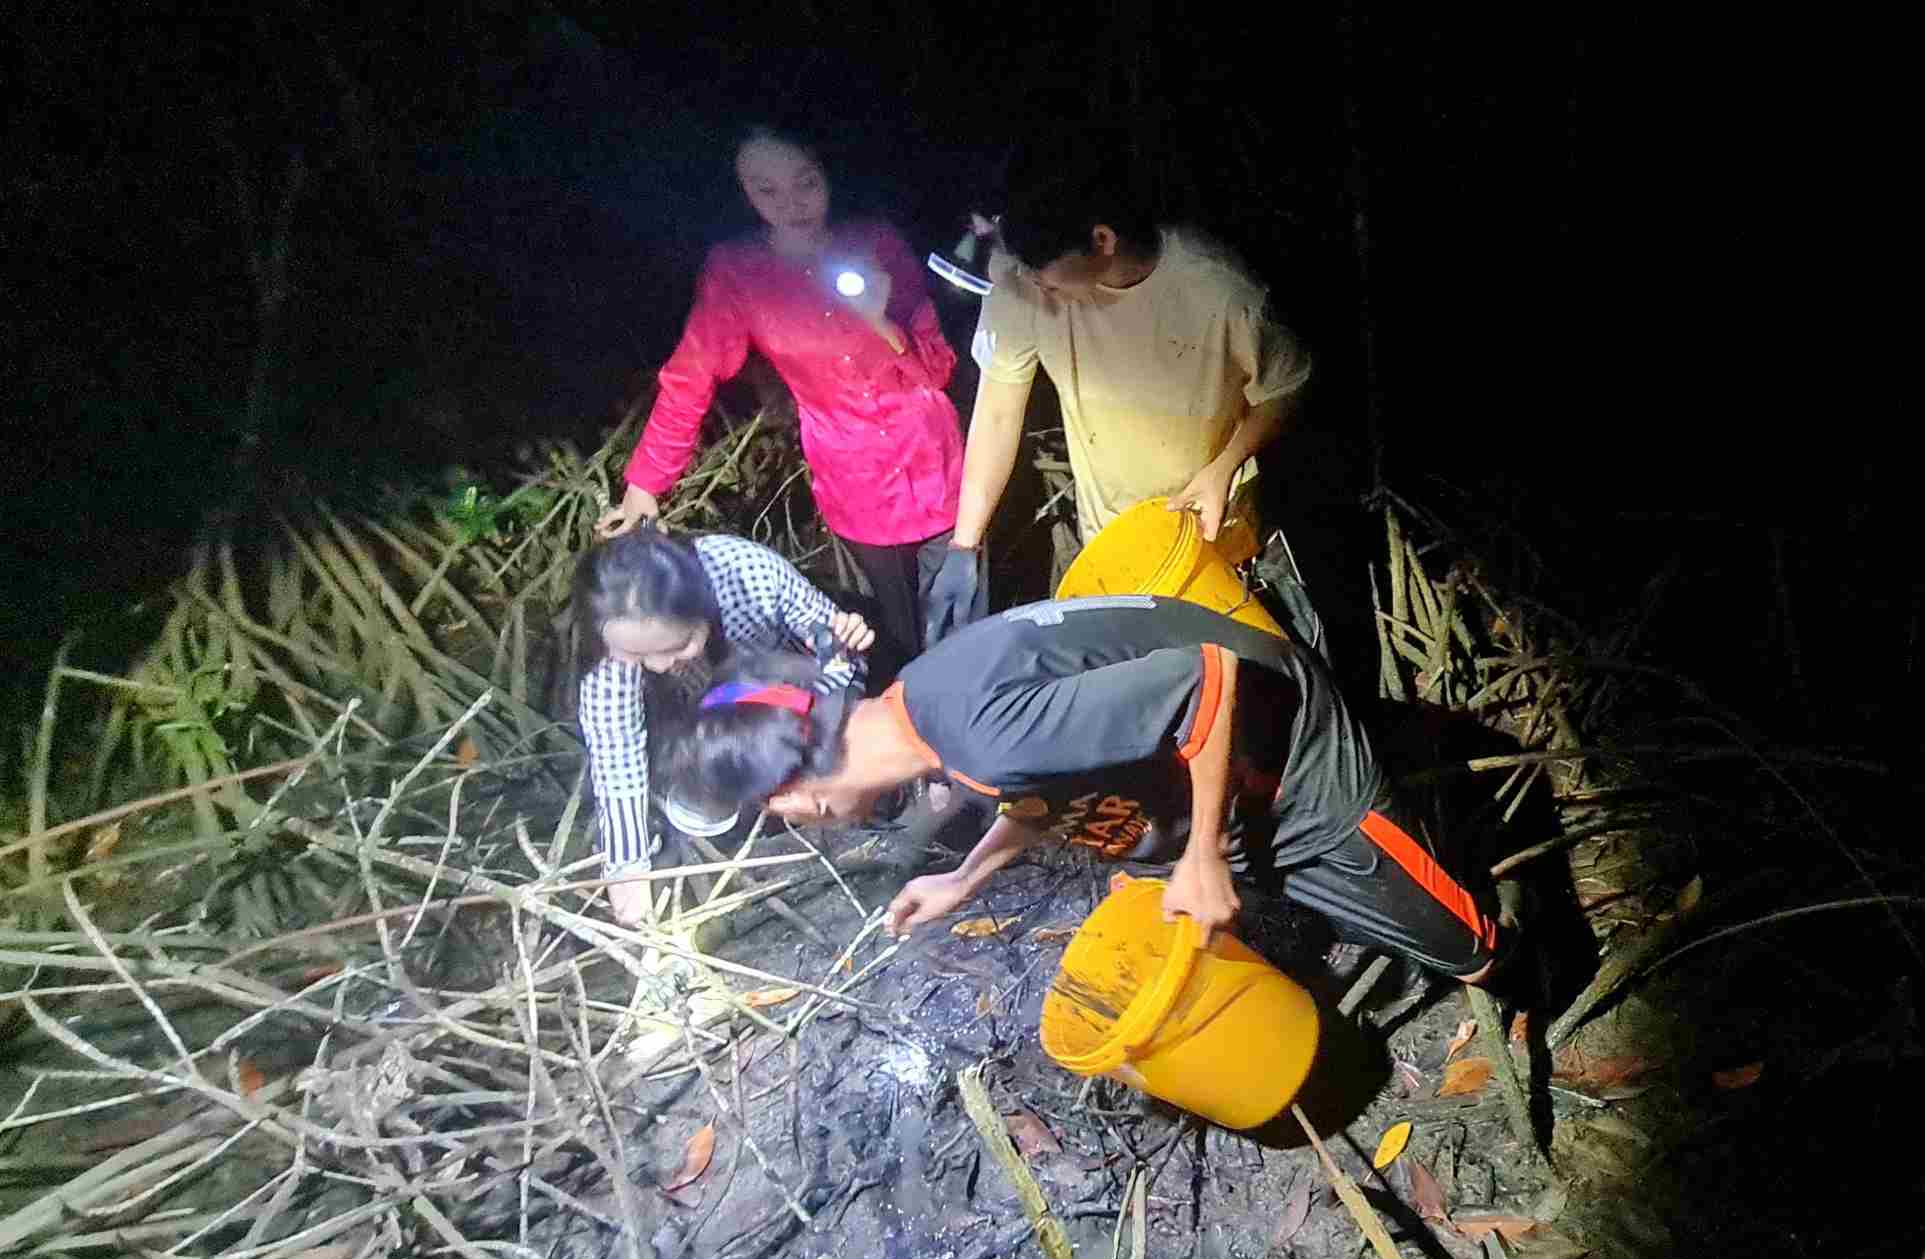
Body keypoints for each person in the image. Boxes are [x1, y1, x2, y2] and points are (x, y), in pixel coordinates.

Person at [663, 596, 1504, 984]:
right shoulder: (918, 708)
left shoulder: (976, 732)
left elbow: (1204, 679)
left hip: (1292, 757)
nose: (798, 825)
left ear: (797, 796)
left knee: (1460, 945)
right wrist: (964, 877)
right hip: (1225, 765)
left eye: (774, 814)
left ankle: (1524, 971)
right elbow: (1041, 789)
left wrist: (1204, 852)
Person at [596, 122, 983, 674]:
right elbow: (691, 376)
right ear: (743, 193)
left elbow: (938, 368)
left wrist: (880, 321)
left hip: (937, 467)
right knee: (896, 641)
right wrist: (644, 485)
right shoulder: (738, 271)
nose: (792, 204)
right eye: (766, 190)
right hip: (854, 484)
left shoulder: (877, 243)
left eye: (805, 183)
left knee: (965, 624)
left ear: (827, 174)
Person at [923, 143, 1311, 645]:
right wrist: (964, 544)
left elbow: (1283, 388)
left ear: (1102, 239)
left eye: (1044, 275)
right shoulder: (1023, 284)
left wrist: (1225, 466)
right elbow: (997, 412)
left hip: (1212, 536)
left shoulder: (1219, 290)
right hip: (1108, 541)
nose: (1033, 287)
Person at [572, 527, 872, 924]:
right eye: (637, 656)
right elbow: (617, 757)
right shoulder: (611, 657)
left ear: (703, 607)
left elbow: (837, 655)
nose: (659, 665)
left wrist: (814, 733)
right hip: (708, 712)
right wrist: (627, 869)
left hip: (789, 689)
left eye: (678, 646)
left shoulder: (747, 572)